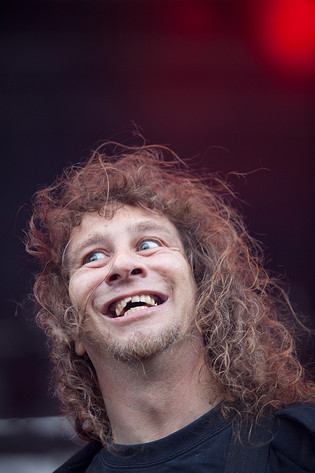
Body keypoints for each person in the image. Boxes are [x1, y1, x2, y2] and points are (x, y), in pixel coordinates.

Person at [26, 142, 315, 472]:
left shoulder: (301, 452)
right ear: (70, 328)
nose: (122, 264)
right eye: (93, 256)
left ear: (206, 292)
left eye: (148, 244)